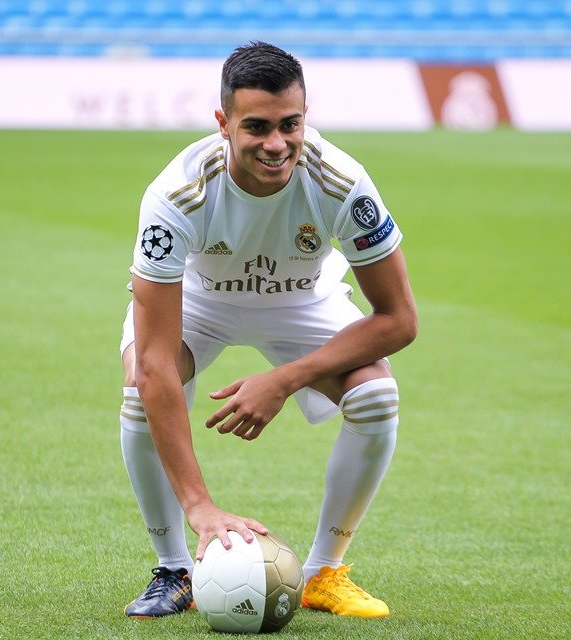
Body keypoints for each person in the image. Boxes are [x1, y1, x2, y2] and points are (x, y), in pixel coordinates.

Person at [119, 42, 418, 620]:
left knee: (378, 397)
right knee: (140, 389)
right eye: (255, 127)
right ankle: (175, 569)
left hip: (301, 298)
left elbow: (399, 319)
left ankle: (322, 574)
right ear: (223, 123)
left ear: (306, 117)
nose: (276, 144)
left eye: (291, 124)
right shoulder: (177, 194)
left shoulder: (340, 182)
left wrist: (283, 380)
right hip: (200, 299)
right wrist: (200, 505)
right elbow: (157, 360)